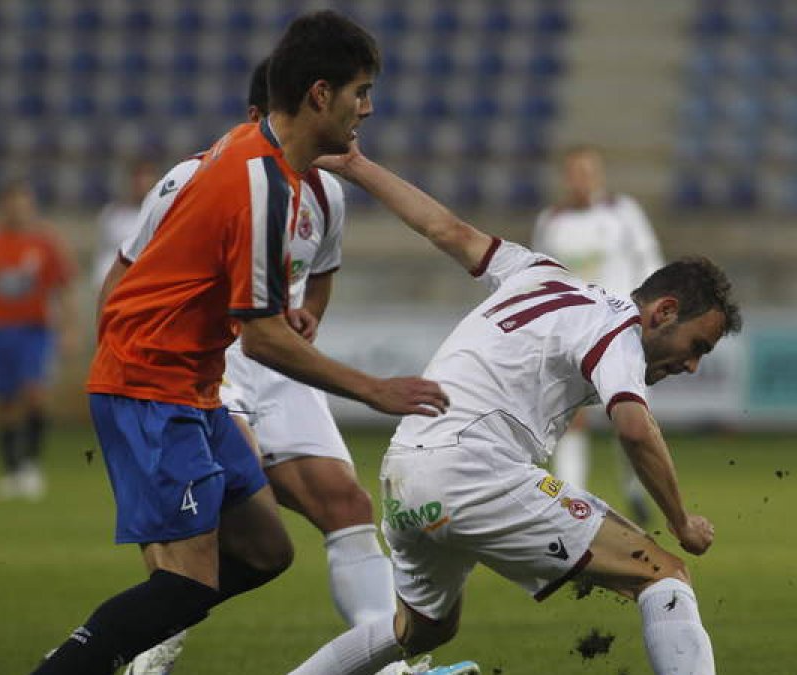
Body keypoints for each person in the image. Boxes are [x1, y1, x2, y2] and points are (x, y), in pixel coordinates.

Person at [32, 12, 449, 673]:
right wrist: (376, 389)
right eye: (360, 91)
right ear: (320, 94)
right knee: (184, 584)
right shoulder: (259, 183)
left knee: (264, 551)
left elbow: (266, 311)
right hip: (150, 387)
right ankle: (86, 657)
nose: (367, 108)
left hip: (191, 390)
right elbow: (261, 341)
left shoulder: (263, 160)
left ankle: (133, 631)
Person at [288, 142, 738, 675]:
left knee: (421, 628)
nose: (690, 366)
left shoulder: (540, 273)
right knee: (663, 575)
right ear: (663, 312)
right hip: (475, 471)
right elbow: (636, 431)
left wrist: (358, 165)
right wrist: (681, 520)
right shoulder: (620, 330)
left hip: (405, 471)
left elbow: (445, 230)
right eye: (697, 348)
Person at [531, 144, 666, 525]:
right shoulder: (550, 221)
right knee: (570, 416)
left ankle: (636, 488)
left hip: (620, 329)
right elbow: (541, 276)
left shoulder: (624, 214)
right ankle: (570, 503)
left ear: (600, 175)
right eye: (575, 172)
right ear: (565, 177)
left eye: (588, 171)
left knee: (629, 415)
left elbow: (651, 261)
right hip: (569, 331)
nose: (582, 179)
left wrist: (651, 316)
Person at [0, 179, 77, 501]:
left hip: (35, 330)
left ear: (31, 206)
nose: (18, 209)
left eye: (23, 202)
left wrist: (69, 328)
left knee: (35, 394)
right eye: (12, 202)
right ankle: (11, 471)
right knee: (4, 403)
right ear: (3, 206)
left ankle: (32, 466)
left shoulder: (46, 243)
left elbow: (62, 287)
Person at [91, 159, 158, 289]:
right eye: (138, 177)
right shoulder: (111, 214)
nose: (141, 182)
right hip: (114, 286)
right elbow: (103, 252)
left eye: (146, 176)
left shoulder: (159, 215)